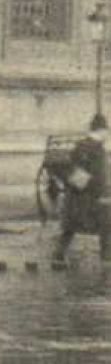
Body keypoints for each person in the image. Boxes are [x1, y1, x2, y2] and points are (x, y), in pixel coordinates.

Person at [54, 113, 110, 266]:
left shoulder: (81, 145)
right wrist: (104, 193)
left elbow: (72, 168)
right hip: (92, 198)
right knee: (106, 225)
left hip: (75, 195)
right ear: (101, 131)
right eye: (107, 131)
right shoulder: (97, 149)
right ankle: (106, 259)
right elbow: (100, 175)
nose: (107, 135)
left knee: (70, 227)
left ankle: (57, 256)